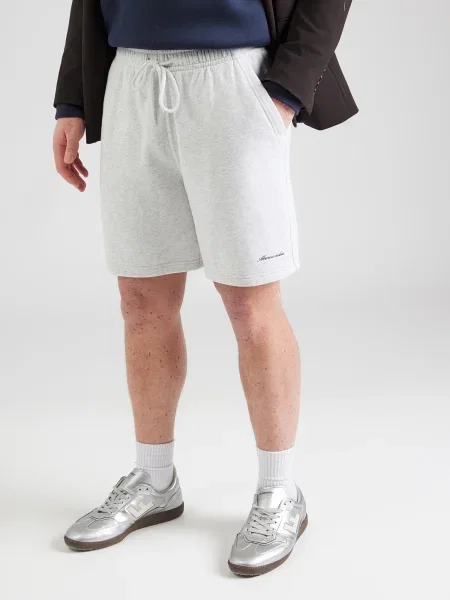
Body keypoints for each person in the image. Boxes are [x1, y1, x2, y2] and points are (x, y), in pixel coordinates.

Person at [53, 0, 357, 576]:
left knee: (250, 302)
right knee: (141, 301)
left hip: (235, 81)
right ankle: (154, 479)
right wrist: (72, 100)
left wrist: (286, 90)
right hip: (129, 79)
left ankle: (280, 492)